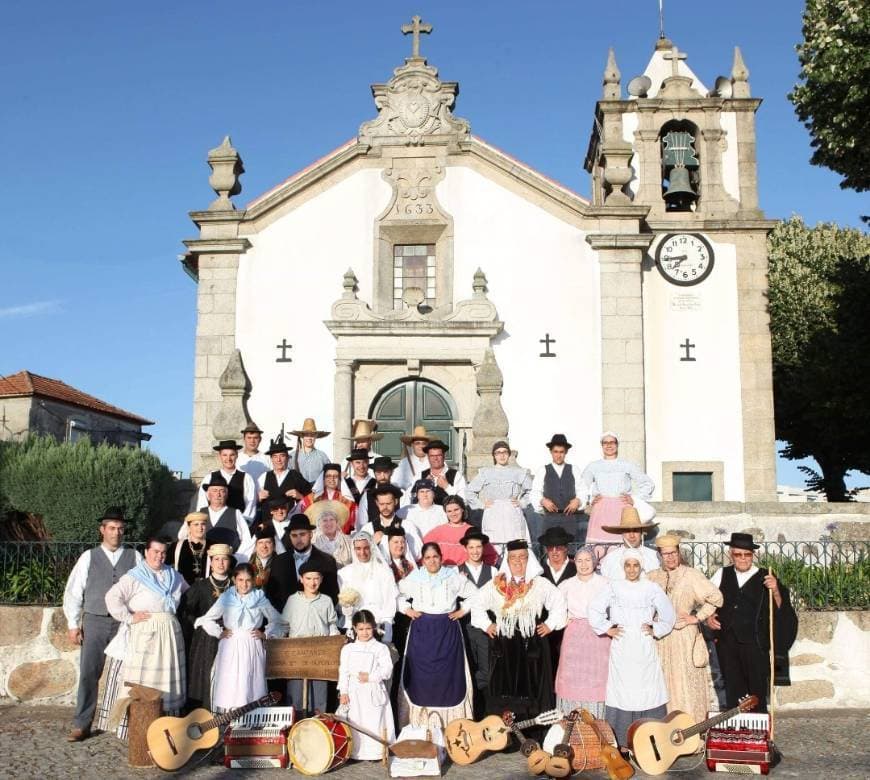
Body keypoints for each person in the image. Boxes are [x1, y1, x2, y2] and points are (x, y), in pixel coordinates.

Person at [470, 540, 567, 730]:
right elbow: (477, 604)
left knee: (533, 686)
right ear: (507, 560)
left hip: (533, 644)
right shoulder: (496, 585)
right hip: (505, 643)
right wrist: (487, 624)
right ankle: (506, 734)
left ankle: (534, 732)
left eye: (522, 557)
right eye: (513, 558)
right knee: (505, 686)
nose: (517, 562)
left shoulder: (539, 583)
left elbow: (559, 603)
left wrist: (549, 624)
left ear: (529, 560)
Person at [62, 508, 140, 742]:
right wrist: (73, 623)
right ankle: (82, 724)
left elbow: (144, 586)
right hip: (95, 620)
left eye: (120, 528)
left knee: (129, 675)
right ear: (102, 530)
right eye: (112, 528)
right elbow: (74, 591)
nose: (116, 532)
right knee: (89, 673)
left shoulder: (135, 557)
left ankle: (126, 724)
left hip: (123, 623)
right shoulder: (89, 556)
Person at [588, 549, 675, 748]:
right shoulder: (613, 587)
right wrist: (607, 629)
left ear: (641, 566)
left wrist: (656, 628)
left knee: (647, 688)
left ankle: (650, 738)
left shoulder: (651, 588)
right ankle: (622, 740)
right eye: (628, 565)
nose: (632, 569)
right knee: (623, 689)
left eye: (636, 565)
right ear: (623, 567)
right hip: (622, 645)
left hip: (644, 645)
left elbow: (668, 614)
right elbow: (594, 609)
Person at [104, 537, 189, 736]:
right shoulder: (135, 576)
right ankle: (139, 728)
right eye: (155, 552)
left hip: (169, 634)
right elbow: (112, 597)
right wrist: (130, 617)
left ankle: (167, 728)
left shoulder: (173, 575)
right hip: (146, 635)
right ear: (146, 552)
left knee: (166, 678)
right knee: (145, 679)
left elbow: (189, 593)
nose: (159, 556)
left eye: (163, 553)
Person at [706, 533, 798, 714]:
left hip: (755, 644)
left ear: (752, 555)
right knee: (732, 687)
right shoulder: (721, 573)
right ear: (730, 555)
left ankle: (758, 732)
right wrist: (709, 617)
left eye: (747, 554)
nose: (742, 559)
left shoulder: (766, 576)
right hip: (727, 642)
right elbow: (708, 601)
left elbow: (782, 607)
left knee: (756, 689)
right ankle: (737, 731)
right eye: (738, 554)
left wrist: (776, 590)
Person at [397, 542, 477, 726]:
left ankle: (451, 725)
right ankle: (420, 725)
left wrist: (462, 611)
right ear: (422, 561)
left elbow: (475, 594)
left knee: (448, 678)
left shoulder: (453, 577)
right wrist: (407, 609)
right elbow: (396, 594)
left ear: (441, 557)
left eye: (435, 557)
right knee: (421, 678)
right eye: (427, 558)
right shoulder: (415, 578)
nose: (432, 561)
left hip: (447, 630)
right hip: (421, 631)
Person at [647, 534, 724, 724]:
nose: (670, 558)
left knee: (685, 685)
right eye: (666, 554)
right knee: (663, 684)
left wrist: (696, 617)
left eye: (673, 553)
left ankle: (691, 730)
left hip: (684, 637)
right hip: (660, 640)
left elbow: (716, 597)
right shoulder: (652, 577)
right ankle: (665, 731)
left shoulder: (691, 575)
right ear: (660, 556)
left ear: (679, 553)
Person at [195, 563, 286, 712]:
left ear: (254, 580)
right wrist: (219, 632)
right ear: (234, 580)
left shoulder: (259, 598)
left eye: (248, 580)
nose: (244, 584)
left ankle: (250, 723)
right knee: (230, 682)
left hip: (251, 644)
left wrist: (265, 634)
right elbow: (207, 618)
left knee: (249, 682)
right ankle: (228, 721)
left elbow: (278, 621)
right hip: (230, 645)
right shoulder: (227, 597)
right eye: (240, 580)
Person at [554, 547, 610, 718]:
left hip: (598, 637)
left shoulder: (605, 583)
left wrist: (608, 625)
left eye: (588, 560)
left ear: (594, 562)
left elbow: (614, 608)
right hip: (574, 638)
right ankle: (571, 722)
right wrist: (565, 620)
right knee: (572, 677)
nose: (584, 564)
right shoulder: (566, 584)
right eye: (580, 560)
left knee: (597, 678)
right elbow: (556, 609)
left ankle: (597, 721)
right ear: (574, 563)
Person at [177, 543, 234, 711]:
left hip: (230, 638)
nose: (221, 563)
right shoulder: (201, 586)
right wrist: (198, 622)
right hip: (206, 641)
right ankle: (203, 714)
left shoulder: (236, 585)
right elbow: (185, 610)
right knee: (205, 676)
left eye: (224, 559)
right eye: (217, 559)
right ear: (211, 562)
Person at [281, 559, 340, 714]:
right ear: (301, 579)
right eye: (308, 578)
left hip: (320, 653)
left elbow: (332, 624)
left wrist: (335, 639)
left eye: (316, 578)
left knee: (319, 695)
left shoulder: (326, 601)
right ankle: (296, 730)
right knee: (296, 695)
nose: (312, 583)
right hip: (297, 653)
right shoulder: (293, 600)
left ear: (321, 579)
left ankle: (317, 728)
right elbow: (284, 625)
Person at [338, 610, 396, 761]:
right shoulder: (348, 649)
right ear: (355, 629)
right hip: (354, 692)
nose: (365, 633)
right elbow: (343, 671)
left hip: (373, 690)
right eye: (361, 629)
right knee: (355, 721)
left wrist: (370, 677)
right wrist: (343, 691)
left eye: (368, 628)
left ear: (374, 628)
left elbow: (387, 670)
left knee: (373, 721)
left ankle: (375, 752)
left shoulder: (380, 648)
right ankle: (355, 751)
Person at [581, 432, 655, 544]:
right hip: (600, 510)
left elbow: (647, 483)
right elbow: (581, 487)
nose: (609, 445)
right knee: (598, 548)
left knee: (621, 547)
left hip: (622, 510)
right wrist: (589, 501)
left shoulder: (627, 465)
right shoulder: (593, 466)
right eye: (605, 443)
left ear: (617, 444)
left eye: (612, 442)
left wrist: (634, 499)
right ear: (601, 445)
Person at [456, 529, 498, 717]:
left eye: (478, 547)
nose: (475, 551)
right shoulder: (455, 572)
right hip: (464, 629)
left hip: (485, 630)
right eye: (471, 547)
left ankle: (487, 714)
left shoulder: (494, 571)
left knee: (487, 670)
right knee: (466, 671)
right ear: (465, 548)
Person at [467, 440, 533, 550]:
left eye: (505, 452)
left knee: (515, 545)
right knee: (494, 546)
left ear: (509, 454)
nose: (502, 455)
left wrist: (521, 502)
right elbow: (469, 491)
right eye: (498, 452)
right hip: (493, 512)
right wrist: (481, 504)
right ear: (494, 455)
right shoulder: (486, 472)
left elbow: (532, 490)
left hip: (512, 512)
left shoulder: (518, 472)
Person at [268, 514, 339, 610]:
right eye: (294, 535)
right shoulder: (279, 561)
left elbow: (332, 595)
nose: (298, 539)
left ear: (311, 534)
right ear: (289, 536)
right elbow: (272, 593)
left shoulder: (327, 561)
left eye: (302, 534)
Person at [337, 532, 399, 642]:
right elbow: (342, 601)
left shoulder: (384, 571)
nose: (362, 552)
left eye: (366, 548)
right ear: (353, 549)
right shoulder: (344, 573)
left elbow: (390, 600)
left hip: (378, 624)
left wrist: (387, 625)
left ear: (372, 547)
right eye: (358, 548)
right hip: (354, 625)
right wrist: (346, 611)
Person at [537, 526, 577, 678]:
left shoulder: (576, 568)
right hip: (544, 628)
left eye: (558, 547)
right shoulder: (539, 571)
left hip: (569, 627)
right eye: (550, 547)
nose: (554, 551)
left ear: (566, 548)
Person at [530, 433, 585, 538]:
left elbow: (582, 490)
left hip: (569, 518)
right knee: (550, 550)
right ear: (551, 452)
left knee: (570, 550)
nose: (558, 455)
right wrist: (542, 501)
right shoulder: (543, 470)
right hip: (549, 519)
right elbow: (535, 492)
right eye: (555, 452)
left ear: (566, 452)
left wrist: (578, 500)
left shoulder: (574, 469)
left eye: (561, 452)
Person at [422, 495, 498, 567]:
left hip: (466, 574)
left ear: (462, 509)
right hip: (444, 574)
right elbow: (421, 551)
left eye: (456, 510)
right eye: (449, 511)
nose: (453, 514)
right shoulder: (438, 531)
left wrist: (480, 570)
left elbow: (491, 555)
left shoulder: (472, 531)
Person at [197, 439, 258, 524]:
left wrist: (243, 524)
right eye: (225, 455)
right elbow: (202, 503)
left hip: (237, 525)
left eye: (232, 455)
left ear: (237, 455)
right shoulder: (209, 478)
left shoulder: (246, 478)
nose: (228, 459)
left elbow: (251, 504)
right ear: (220, 456)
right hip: (213, 526)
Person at [361, 483, 423, 561]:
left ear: (396, 501)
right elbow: (359, 556)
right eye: (382, 504)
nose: (385, 507)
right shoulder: (368, 529)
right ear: (377, 503)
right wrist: (372, 544)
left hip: (403, 571)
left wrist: (402, 545)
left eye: (388, 503)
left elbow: (419, 553)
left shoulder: (407, 526)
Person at [193, 473, 253, 554]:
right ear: (208, 494)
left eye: (222, 491)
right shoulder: (199, 514)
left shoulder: (236, 513)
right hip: (203, 561)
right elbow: (185, 536)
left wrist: (238, 557)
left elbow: (247, 540)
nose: (218, 494)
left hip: (228, 561)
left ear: (227, 494)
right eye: (215, 491)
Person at [598, 506, 660, 580]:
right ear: (622, 533)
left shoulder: (653, 557)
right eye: (627, 531)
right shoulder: (611, 559)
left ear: (641, 533)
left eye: (635, 531)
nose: (632, 536)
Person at [257, 437, 312, 516]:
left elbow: (311, 500)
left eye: (282, 456)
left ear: (287, 458)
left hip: (291, 523)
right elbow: (252, 503)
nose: (278, 460)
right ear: (271, 459)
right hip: (268, 524)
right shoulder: (264, 477)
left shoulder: (296, 476)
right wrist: (258, 498)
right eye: (275, 456)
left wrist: (300, 496)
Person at [300, 463, 357, 534]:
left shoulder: (347, 500)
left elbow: (355, 522)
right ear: (323, 479)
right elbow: (300, 514)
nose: (332, 479)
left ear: (339, 479)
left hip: (340, 540)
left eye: (335, 476)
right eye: (328, 476)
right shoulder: (312, 498)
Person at [354, 456, 400, 530]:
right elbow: (361, 524)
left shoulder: (401, 494)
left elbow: (404, 519)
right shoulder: (367, 495)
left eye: (385, 472)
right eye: (378, 472)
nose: (382, 476)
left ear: (391, 472)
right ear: (374, 473)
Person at [168, 512, 211, 584]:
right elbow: (164, 566)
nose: (200, 528)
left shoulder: (213, 546)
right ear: (189, 527)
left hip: (207, 590)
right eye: (196, 524)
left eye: (203, 524)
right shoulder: (177, 546)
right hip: (182, 589)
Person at [420, 439, 467, 504]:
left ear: (444, 456)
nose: (435, 458)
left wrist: (447, 487)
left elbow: (464, 501)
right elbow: (411, 501)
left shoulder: (456, 475)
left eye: (438, 455)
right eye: (432, 456)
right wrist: (424, 486)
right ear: (428, 457)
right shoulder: (420, 475)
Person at [308, 501, 353, 568]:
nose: (329, 523)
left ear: (337, 522)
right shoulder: (312, 542)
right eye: (324, 520)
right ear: (319, 524)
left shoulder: (348, 541)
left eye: (332, 519)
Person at [289, 417, 332, 484]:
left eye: (312, 435)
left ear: (315, 437)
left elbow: (330, 473)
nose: (309, 438)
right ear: (302, 437)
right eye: (306, 435)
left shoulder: (322, 456)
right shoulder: (292, 456)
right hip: (298, 492)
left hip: (317, 492)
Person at [247, 522, 281, 599]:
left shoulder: (281, 564)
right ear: (255, 546)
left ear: (274, 545)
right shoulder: (247, 564)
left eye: (268, 542)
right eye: (260, 543)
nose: (264, 546)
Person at [395, 425, 431, 491]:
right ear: (412, 445)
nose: (421, 446)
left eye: (424, 443)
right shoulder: (404, 463)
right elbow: (396, 482)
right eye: (417, 443)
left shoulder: (435, 461)